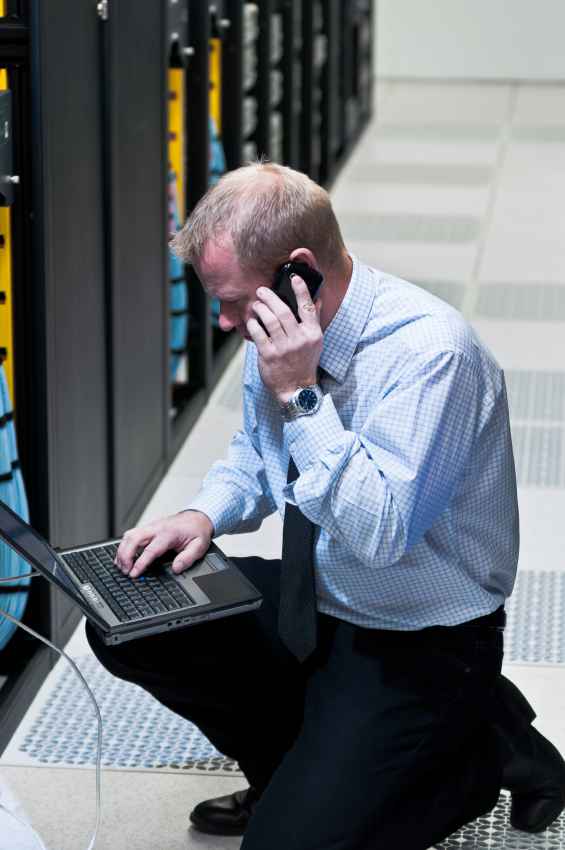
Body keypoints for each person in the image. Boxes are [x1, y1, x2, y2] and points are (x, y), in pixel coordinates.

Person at [86, 162, 565, 849]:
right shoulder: (280, 330)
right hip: (316, 597)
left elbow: (379, 533)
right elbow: (256, 455)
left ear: (298, 271)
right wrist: (201, 515)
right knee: (130, 616)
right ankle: (288, 770)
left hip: (414, 636)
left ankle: (472, 754)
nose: (223, 321)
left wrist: (302, 394)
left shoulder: (432, 355)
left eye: (232, 301)